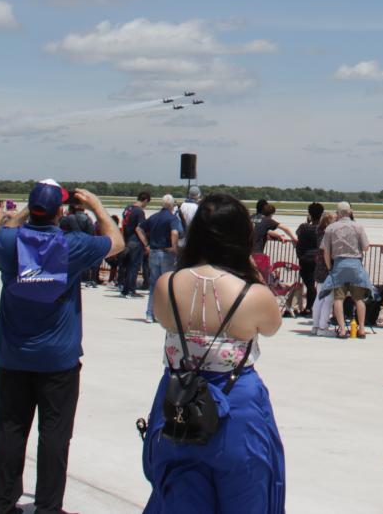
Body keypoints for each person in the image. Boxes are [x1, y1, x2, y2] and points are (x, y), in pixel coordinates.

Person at [144, 193, 285, 513]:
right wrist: (251, 271)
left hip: (180, 398)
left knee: (180, 497)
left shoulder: (167, 284)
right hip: (237, 403)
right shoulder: (253, 294)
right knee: (246, 493)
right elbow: (271, 326)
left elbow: (164, 319)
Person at [0, 182, 120, 514]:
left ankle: (3, 502)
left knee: (10, 431)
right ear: (59, 213)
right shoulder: (71, 245)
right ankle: (48, 507)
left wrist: (29, 208)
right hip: (57, 358)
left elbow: (8, 227)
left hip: (14, 355)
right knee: (55, 436)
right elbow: (117, 242)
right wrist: (96, 206)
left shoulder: (7, 241)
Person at [319, 202, 372, 337]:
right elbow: (366, 247)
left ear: (337, 213)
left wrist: (330, 267)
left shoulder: (331, 228)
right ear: (350, 212)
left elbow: (326, 251)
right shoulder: (358, 226)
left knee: (338, 298)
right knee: (359, 299)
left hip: (339, 264)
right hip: (355, 264)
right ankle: (361, 329)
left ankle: (342, 330)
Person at [142, 193, 184, 322]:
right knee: (167, 285)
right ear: (172, 205)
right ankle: (164, 315)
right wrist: (174, 247)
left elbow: (139, 228)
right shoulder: (172, 218)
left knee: (154, 284)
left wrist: (146, 244)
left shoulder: (154, 217)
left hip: (154, 252)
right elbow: (175, 232)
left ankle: (150, 314)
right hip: (166, 253)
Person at [119, 191, 152, 297]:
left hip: (128, 240)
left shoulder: (128, 209)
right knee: (134, 267)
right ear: (145, 200)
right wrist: (146, 244)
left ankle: (125, 289)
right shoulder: (139, 211)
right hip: (136, 242)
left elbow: (123, 224)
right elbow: (139, 229)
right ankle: (131, 290)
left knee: (127, 266)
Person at [295, 202, 325, 314]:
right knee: (319, 285)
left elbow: (297, 233)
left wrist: (307, 222)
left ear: (309, 214)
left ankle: (309, 307)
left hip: (305, 259)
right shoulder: (322, 228)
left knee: (310, 285)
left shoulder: (303, 227)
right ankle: (315, 307)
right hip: (319, 259)